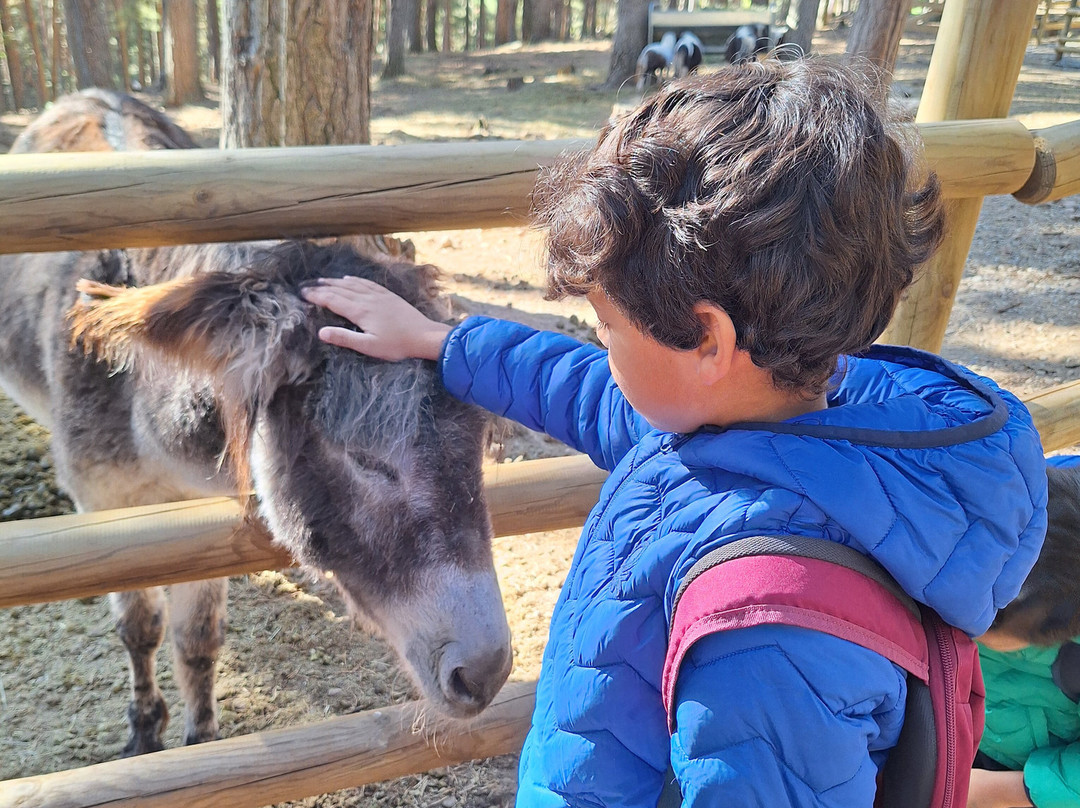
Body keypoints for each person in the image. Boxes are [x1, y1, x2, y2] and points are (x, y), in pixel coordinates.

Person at [303, 60, 1048, 807]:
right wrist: (442, 342)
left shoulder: (769, 639)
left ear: (707, 341)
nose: (601, 346)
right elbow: (587, 392)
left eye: (607, 326)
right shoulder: (787, 415)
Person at [968, 456, 1080, 808]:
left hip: (1031, 778)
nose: (954, 610)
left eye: (987, 618)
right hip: (966, 732)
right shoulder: (1028, 496)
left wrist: (1001, 791)